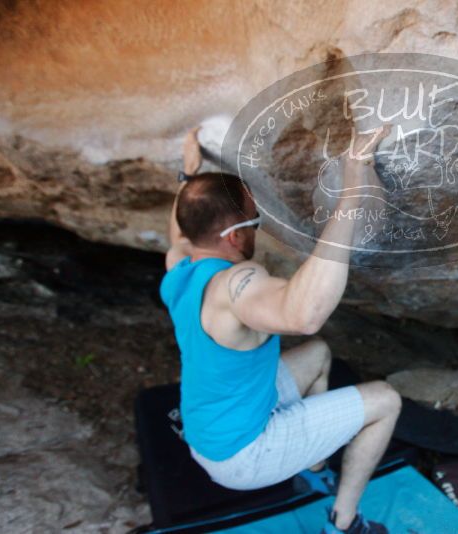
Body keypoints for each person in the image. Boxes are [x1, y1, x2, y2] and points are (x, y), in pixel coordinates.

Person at [160, 125, 400, 533]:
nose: (257, 227)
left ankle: (313, 465)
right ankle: (344, 523)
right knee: (386, 401)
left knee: (319, 354)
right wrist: (353, 186)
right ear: (234, 237)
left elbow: (181, 231)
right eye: (255, 220)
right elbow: (304, 315)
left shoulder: (178, 267)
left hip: (211, 431)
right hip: (244, 454)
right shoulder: (234, 287)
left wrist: (189, 175)